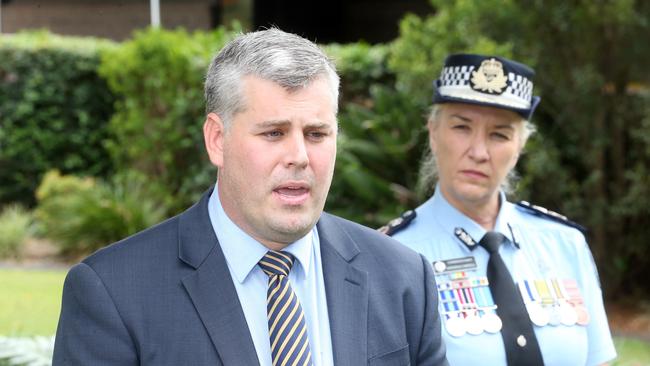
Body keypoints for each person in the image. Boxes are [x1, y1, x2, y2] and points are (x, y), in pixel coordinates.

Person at [52, 28, 448, 366]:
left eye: (316, 134)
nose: (299, 157)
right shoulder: (114, 292)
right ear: (217, 140)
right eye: (273, 133)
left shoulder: (403, 278)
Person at [381, 54, 616, 365]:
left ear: (519, 147)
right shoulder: (391, 255)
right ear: (433, 132)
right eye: (462, 127)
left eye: (499, 134)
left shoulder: (564, 243)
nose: (479, 152)